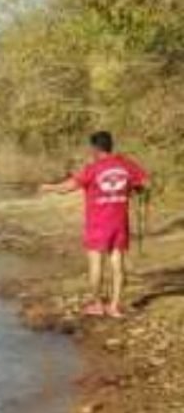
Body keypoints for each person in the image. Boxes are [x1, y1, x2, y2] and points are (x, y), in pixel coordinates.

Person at [39, 131, 149, 318]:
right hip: (119, 222)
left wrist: (49, 187)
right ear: (110, 145)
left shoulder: (93, 168)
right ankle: (114, 307)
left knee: (96, 263)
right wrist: (134, 188)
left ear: (95, 148)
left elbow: (68, 187)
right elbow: (145, 182)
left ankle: (97, 304)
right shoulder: (126, 164)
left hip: (98, 224)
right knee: (117, 263)